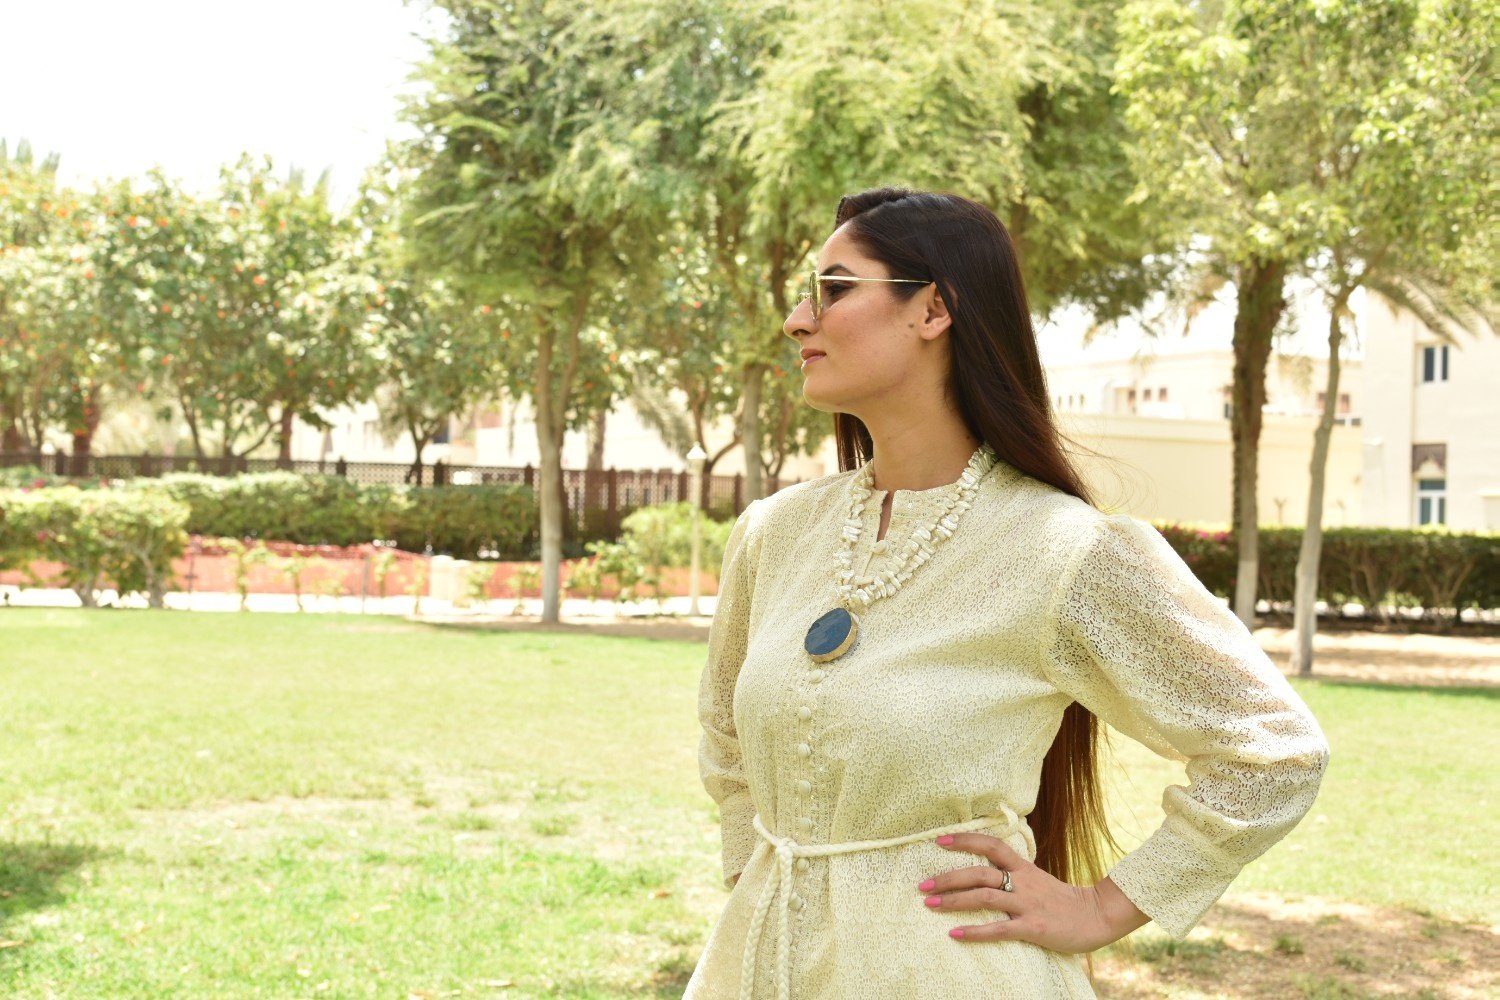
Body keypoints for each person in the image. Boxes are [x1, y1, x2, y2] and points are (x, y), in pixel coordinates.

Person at [682, 187, 1331, 1000]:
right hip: (756, 971)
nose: (797, 320)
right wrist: (760, 876)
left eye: (835, 289)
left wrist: (1103, 906)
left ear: (933, 309)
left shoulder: (1064, 549)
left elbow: (1274, 750)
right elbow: (727, 738)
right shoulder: (774, 535)